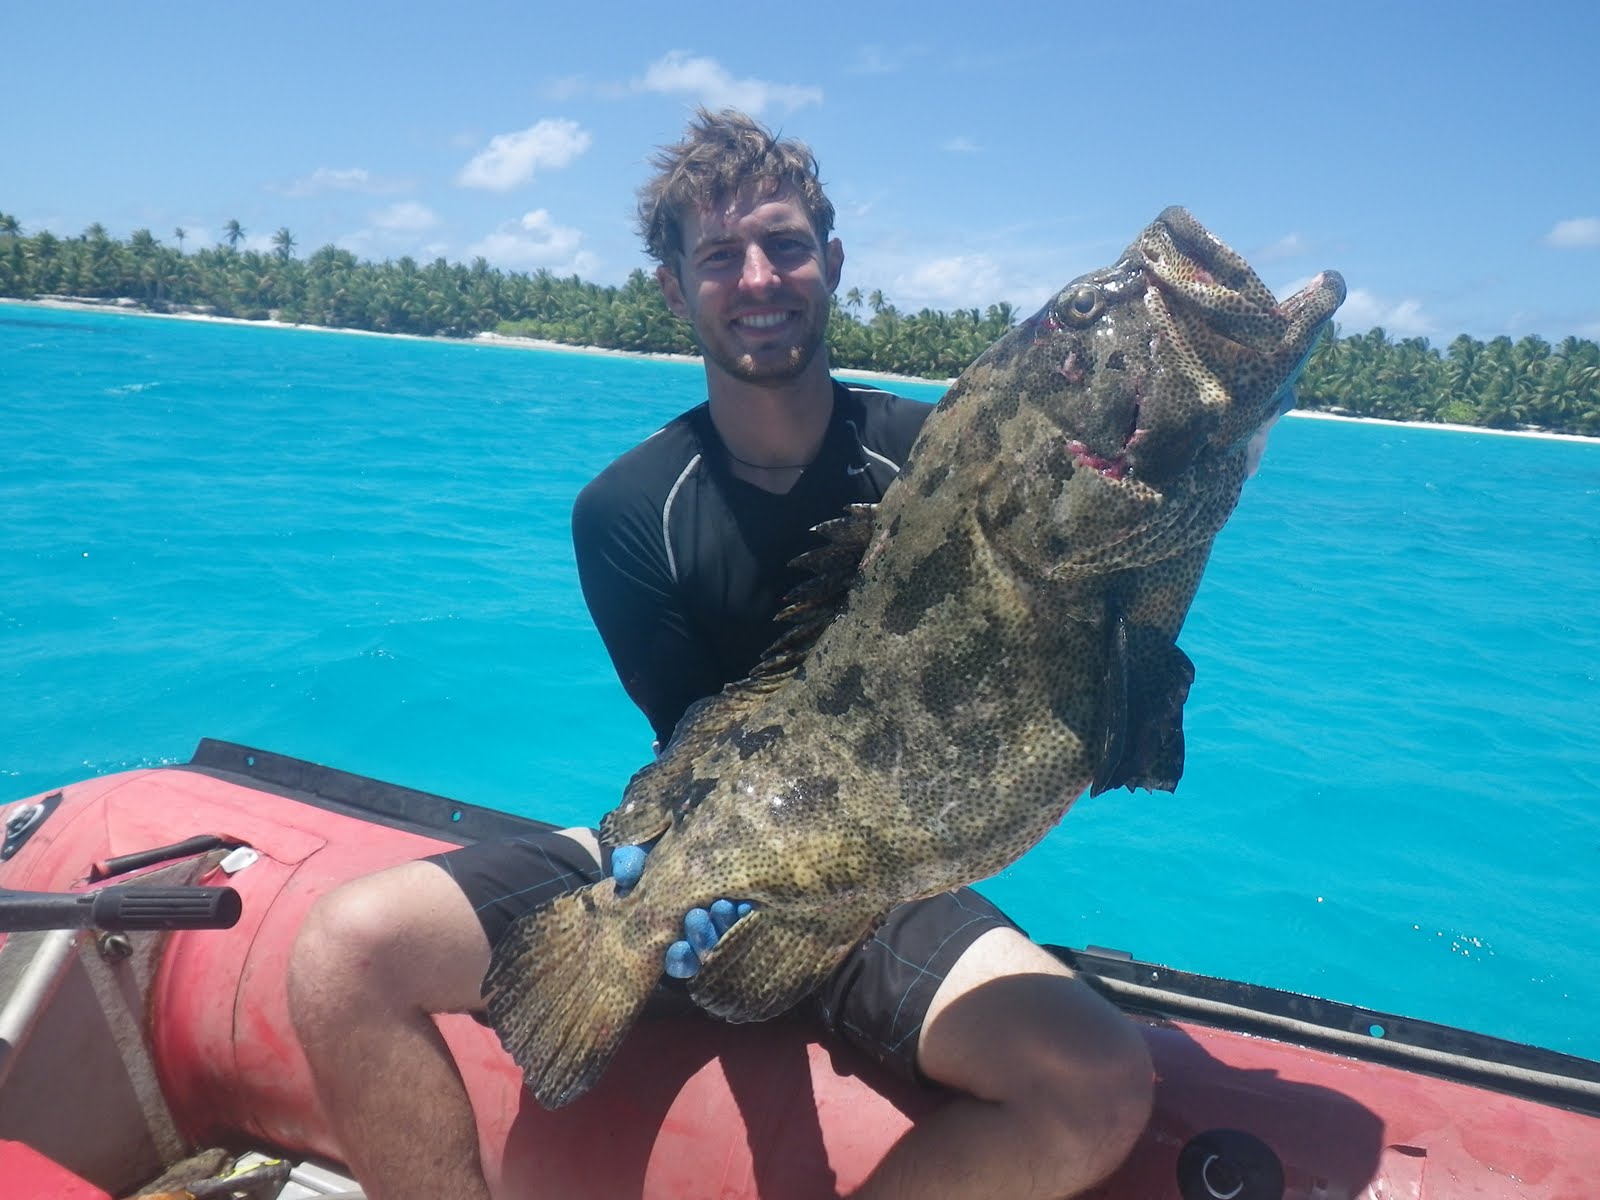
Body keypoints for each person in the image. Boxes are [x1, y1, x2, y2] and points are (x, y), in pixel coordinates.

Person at [286, 108, 1153, 1200]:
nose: (759, 278)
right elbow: (698, 734)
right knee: (344, 952)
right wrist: (680, 881)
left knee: (1098, 1079)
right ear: (672, 288)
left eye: (785, 245)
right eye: (719, 256)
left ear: (830, 263)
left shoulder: (940, 458)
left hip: (885, 869)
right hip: (711, 851)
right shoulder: (626, 510)